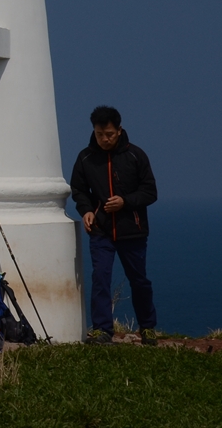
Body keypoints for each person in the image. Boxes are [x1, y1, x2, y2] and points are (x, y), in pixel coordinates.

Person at [69, 105, 159, 346]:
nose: (104, 139)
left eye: (109, 134)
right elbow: (78, 189)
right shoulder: (85, 157)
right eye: (99, 134)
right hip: (101, 230)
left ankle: (148, 328)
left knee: (139, 280)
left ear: (119, 130)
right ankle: (102, 330)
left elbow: (150, 192)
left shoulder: (135, 156)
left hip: (133, 230)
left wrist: (125, 202)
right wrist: (86, 210)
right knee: (100, 277)